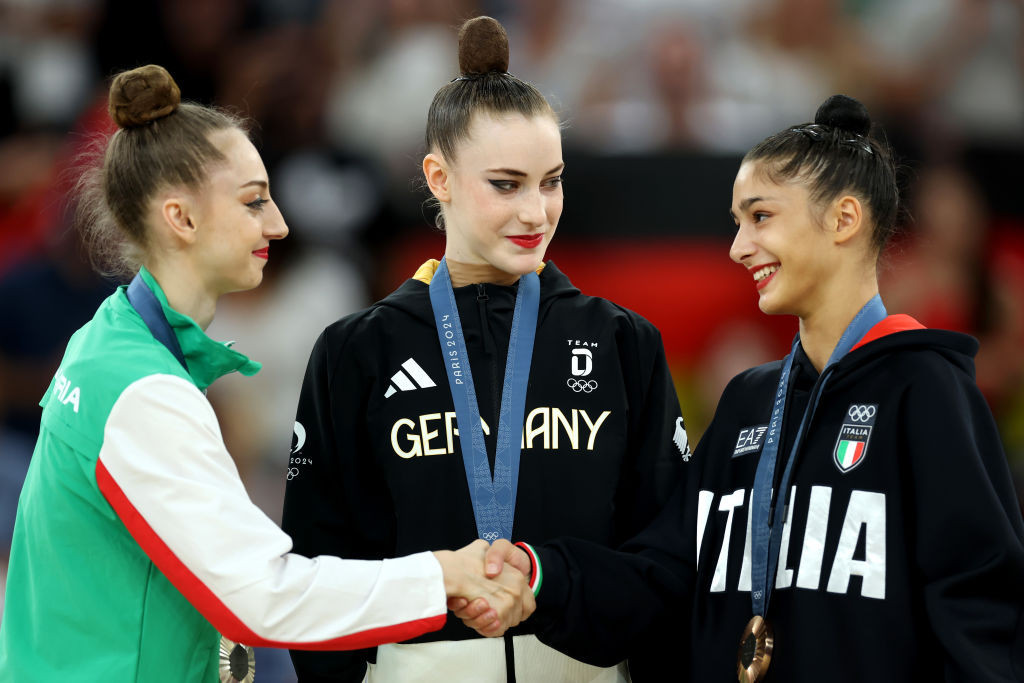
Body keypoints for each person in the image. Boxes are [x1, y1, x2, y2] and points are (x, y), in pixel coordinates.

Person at [0, 64, 533, 683]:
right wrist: (444, 575)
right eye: (254, 200)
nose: (279, 224)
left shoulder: (106, 339)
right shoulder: (142, 389)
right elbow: (262, 595)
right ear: (182, 218)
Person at [470, 95, 1024, 681]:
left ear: (843, 219)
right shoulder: (747, 403)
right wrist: (543, 576)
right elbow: (662, 576)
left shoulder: (927, 389)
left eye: (760, 217)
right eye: (737, 222)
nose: (737, 247)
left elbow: (980, 615)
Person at [282, 16, 689, 683]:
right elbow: (320, 573)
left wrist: (549, 575)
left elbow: (667, 562)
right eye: (506, 184)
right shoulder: (358, 350)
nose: (536, 213)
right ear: (438, 178)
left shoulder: (623, 343)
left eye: (551, 181)